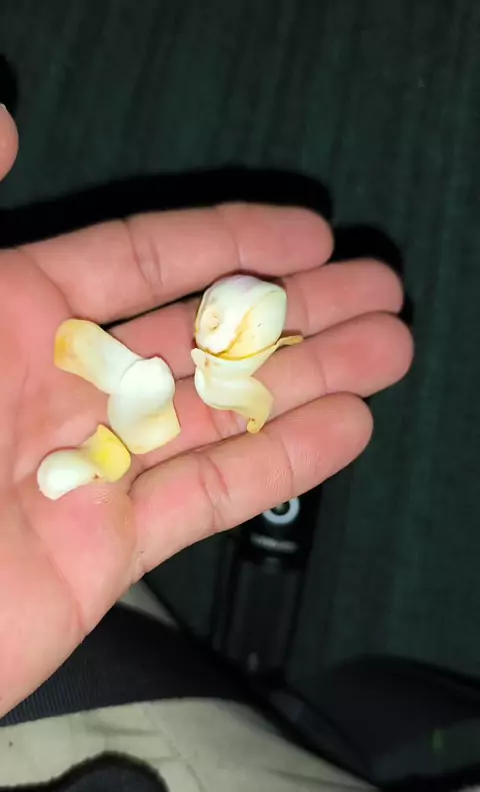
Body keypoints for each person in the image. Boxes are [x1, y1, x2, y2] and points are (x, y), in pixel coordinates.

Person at [0, 106, 413, 719]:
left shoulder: (215, 378)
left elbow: (241, 387)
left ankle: (99, 447)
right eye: (213, 320)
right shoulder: (177, 382)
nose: (207, 328)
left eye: (220, 323)